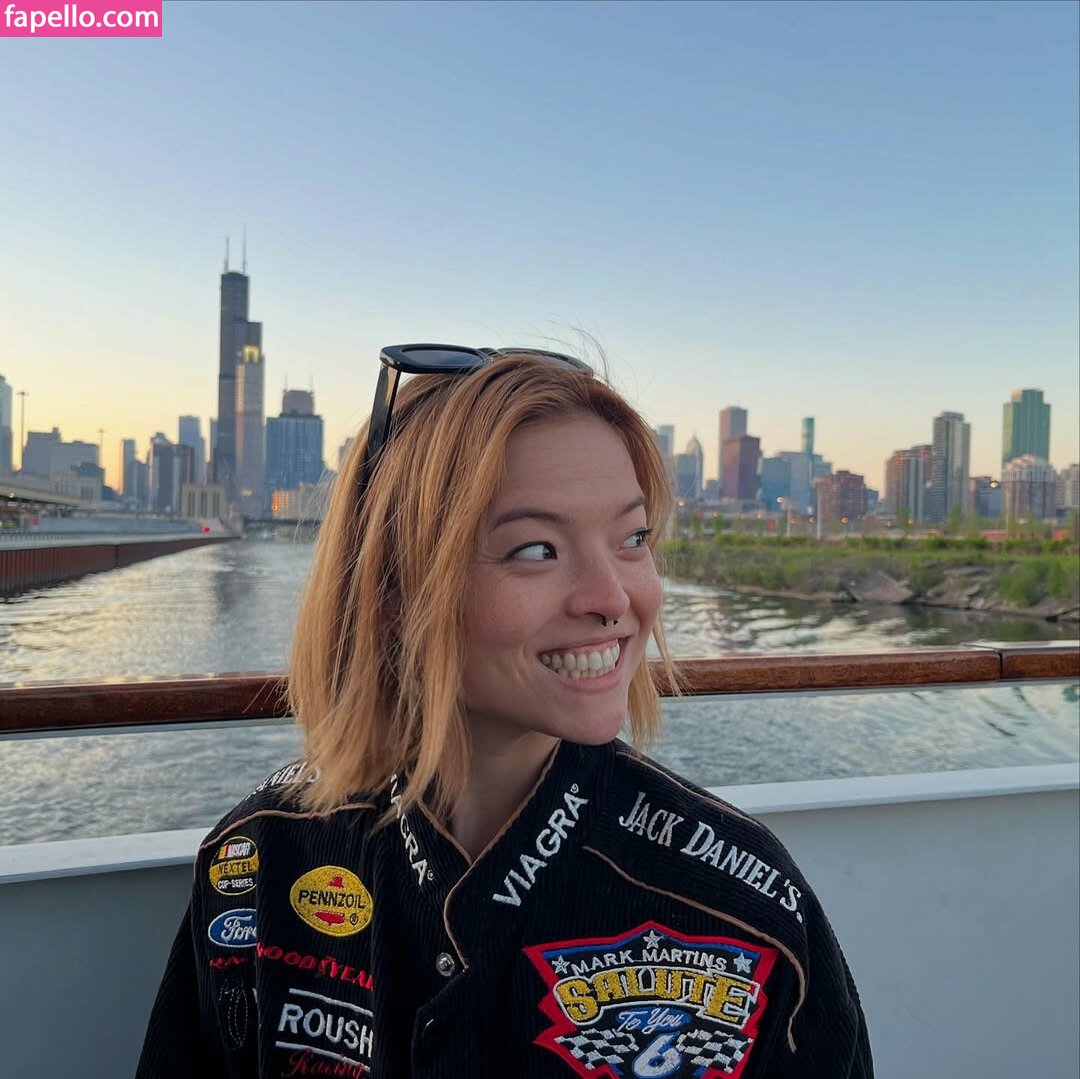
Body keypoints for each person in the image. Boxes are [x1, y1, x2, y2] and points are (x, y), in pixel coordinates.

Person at [137, 344, 873, 1078]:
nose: (612, 598)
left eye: (633, 538)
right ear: (392, 591)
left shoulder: (742, 908)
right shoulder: (259, 861)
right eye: (537, 549)